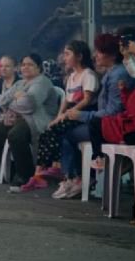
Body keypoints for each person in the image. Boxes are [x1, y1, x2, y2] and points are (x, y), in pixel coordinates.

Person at [55, 34, 134, 199]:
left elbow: (113, 111)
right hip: (104, 123)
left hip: (112, 126)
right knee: (67, 129)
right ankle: (78, 177)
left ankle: (75, 177)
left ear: (111, 54)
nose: (95, 55)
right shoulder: (110, 74)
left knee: (67, 134)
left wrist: (81, 115)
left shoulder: (117, 75)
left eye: (99, 51)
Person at [17, 41, 97, 193]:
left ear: (79, 56)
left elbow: (86, 100)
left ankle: (56, 167)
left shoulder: (88, 75)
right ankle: (41, 172)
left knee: (55, 132)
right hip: (70, 114)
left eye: (68, 54)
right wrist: (58, 116)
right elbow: (66, 99)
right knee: (48, 130)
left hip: (82, 113)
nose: (63, 57)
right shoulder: (72, 76)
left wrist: (67, 114)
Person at [0, 54, 58, 186]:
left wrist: (15, 103)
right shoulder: (20, 83)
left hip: (36, 120)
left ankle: (25, 174)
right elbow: (1, 101)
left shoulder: (42, 82)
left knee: (15, 135)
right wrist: (17, 99)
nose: (25, 67)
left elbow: (29, 104)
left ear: (38, 67)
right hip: (18, 118)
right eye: (23, 64)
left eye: (30, 64)